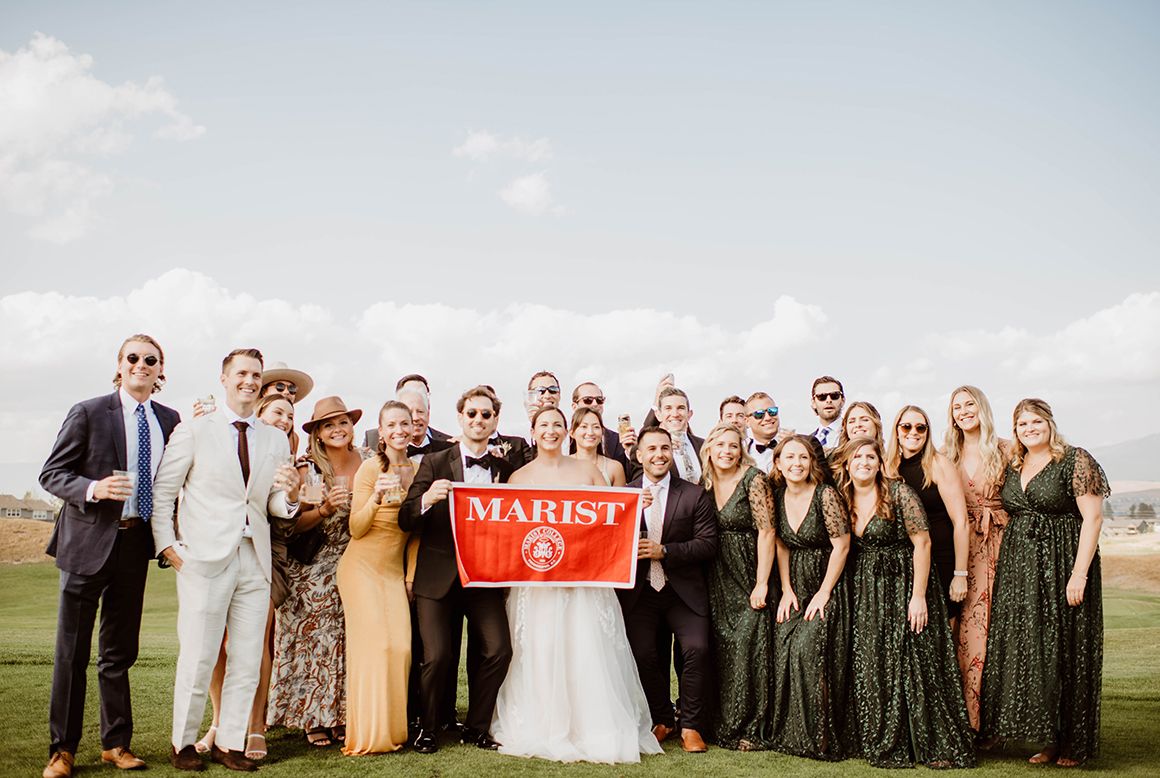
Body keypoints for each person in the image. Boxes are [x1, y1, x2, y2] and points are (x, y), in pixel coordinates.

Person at [151, 348, 300, 772]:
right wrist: (168, 547)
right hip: (204, 558)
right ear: (224, 378)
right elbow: (164, 493)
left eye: (255, 374)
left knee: (248, 656)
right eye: (242, 373)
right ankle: (181, 743)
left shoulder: (273, 438)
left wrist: (288, 497)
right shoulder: (194, 430)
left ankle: (231, 742)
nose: (249, 381)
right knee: (199, 654)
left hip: (255, 559)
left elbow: (270, 501)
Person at [39, 335, 181, 778]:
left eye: (150, 360)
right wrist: (93, 489)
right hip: (86, 544)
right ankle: (62, 750)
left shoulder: (171, 420)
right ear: (119, 366)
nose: (142, 364)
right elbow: (52, 473)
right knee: (72, 652)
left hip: (135, 545)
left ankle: (116, 744)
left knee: (118, 653)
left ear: (161, 370)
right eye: (133, 358)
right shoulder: (87, 412)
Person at [491, 407, 663, 763]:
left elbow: (612, 519)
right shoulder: (519, 478)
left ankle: (591, 724)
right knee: (544, 647)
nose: (551, 431)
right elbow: (511, 535)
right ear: (533, 431)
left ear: (566, 431)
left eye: (557, 424)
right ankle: (546, 722)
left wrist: (635, 505)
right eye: (544, 425)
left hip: (585, 580)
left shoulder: (587, 471)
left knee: (585, 647)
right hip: (539, 584)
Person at [834, 437, 975, 769]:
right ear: (847, 465)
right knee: (874, 662)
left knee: (913, 661)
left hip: (904, 585)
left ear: (880, 463)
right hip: (868, 591)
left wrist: (918, 597)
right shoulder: (845, 498)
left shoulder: (899, 494)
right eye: (858, 457)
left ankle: (933, 743)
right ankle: (880, 734)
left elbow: (922, 544)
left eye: (871, 456)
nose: (864, 462)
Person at [980, 399, 1107, 766]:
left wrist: (1079, 573)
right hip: (1020, 570)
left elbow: (1093, 519)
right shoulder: (1014, 463)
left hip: (1063, 565)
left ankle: (1073, 745)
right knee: (1037, 652)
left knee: (1066, 649)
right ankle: (1048, 739)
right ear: (1015, 430)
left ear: (1050, 423)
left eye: (1036, 421)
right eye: (1022, 424)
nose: (1030, 428)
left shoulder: (1074, 459)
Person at [398, 386, 515, 754]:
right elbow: (404, 517)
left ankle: (477, 727)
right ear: (460, 418)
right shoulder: (434, 462)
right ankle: (429, 729)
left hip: (483, 576)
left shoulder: (504, 467)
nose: (478, 420)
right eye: (472, 414)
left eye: (486, 414)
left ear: (495, 420)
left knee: (499, 650)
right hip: (438, 576)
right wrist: (427, 499)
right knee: (437, 656)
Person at [194, 394, 298, 760]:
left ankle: (255, 726)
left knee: (256, 643)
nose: (284, 419)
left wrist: (293, 493)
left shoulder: (289, 453)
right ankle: (220, 723)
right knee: (216, 642)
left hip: (270, 551)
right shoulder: (227, 437)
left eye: (290, 414)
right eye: (277, 412)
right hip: (222, 547)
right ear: (259, 412)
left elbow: (284, 511)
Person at [270, 396, 365, 748]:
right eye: (328, 425)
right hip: (315, 561)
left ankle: (341, 714)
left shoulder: (369, 461)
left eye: (342, 422)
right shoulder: (311, 468)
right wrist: (325, 508)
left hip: (358, 555)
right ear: (319, 434)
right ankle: (313, 716)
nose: (337, 429)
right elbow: (297, 526)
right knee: (321, 624)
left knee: (349, 637)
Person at [620, 426, 718, 753]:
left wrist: (667, 551)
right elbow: (608, 543)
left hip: (683, 591)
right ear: (639, 455)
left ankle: (691, 725)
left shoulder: (693, 493)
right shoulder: (625, 495)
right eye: (652, 449)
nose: (659, 454)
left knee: (696, 650)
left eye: (665, 448)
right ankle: (662, 718)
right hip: (641, 592)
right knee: (644, 653)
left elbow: (708, 544)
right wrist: (632, 513)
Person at [338, 400, 417, 754]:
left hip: (393, 571)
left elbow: (417, 532)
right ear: (381, 432)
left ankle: (395, 731)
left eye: (405, 423)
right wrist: (376, 499)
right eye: (392, 425)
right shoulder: (370, 469)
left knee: (400, 648)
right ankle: (369, 735)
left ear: (413, 428)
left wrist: (411, 576)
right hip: (361, 568)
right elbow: (356, 527)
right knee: (375, 648)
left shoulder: (418, 470)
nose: (399, 430)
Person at [769, 435, 854, 761]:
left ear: (811, 462)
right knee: (784, 644)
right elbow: (782, 545)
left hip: (827, 582)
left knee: (808, 649)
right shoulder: (777, 497)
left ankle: (817, 736)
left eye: (802, 457)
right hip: (796, 585)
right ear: (778, 464)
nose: (796, 463)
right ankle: (790, 731)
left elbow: (842, 545)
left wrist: (823, 592)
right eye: (789, 457)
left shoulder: (826, 495)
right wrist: (787, 589)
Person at [698, 423, 775, 750]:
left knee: (749, 645)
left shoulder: (754, 480)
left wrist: (761, 583)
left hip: (747, 569)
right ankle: (718, 722)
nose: (727, 451)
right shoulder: (703, 482)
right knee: (721, 647)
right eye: (721, 445)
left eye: (733, 445)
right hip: (714, 574)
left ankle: (751, 726)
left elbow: (767, 531)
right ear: (710, 449)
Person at [943, 385, 1011, 733]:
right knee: (965, 631)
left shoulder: (1007, 450)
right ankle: (967, 722)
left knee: (998, 631)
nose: (963, 411)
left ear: (981, 407)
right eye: (957, 407)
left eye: (969, 404)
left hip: (1001, 546)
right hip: (961, 549)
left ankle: (998, 722)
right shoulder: (945, 455)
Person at [885, 405, 969, 619]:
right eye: (906, 426)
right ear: (896, 430)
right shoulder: (888, 467)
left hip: (941, 557)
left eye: (921, 428)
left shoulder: (939, 464)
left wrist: (960, 574)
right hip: (904, 562)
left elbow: (961, 522)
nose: (913, 432)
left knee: (945, 627)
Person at [364, 373, 452, 453]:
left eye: (423, 394)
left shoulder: (449, 444)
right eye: (408, 392)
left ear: (428, 409)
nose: (415, 417)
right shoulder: (372, 439)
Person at [567, 381, 629, 471]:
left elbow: (632, 477)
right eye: (587, 400)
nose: (595, 404)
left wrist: (631, 451)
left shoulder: (618, 440)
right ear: (574, 406)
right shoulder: (561, 438)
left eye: (599, 400)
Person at [568, 406, 626, 486]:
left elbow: (623, 498)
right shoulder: (561, 465)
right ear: (572, 433)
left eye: (596, 427)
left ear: (602, 432)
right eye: (584, 426)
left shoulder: (614, 468)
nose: (590, 432)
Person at [743, 392, 782, 475]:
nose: (768, 418)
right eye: (759, 414)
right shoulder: (742, 454)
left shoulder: (793, 445)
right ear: (747, 421)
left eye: (772, 411)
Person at [808, 376, 845, 454]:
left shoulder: (852, 433)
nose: (829, 400)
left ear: (843, 401)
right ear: (813, 402)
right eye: (822, 397)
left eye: (835, 396)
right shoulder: (807, 441)